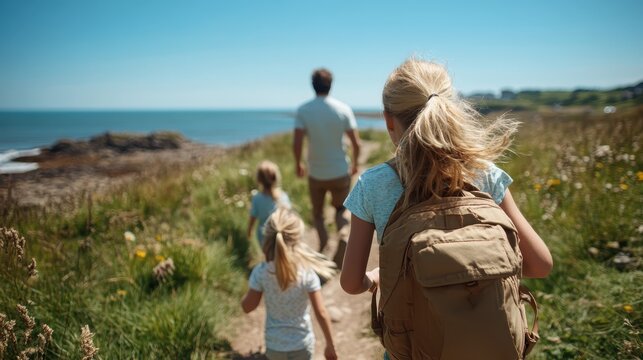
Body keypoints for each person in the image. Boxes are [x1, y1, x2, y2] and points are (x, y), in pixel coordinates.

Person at [340, 58, 553, 296]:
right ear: (448, 110)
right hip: (487, 328)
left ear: (389, 120)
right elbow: (540, 265)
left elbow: (351, 282)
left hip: (412, 330)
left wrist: (376, 277)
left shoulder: (373, 184)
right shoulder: (485, 174)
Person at [241, 207, 338, 360]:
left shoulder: (261, 271)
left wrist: (244, 296)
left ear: (267, 237)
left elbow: (248, 307)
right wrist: (330, 345)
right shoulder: (306, 272)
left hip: (274, 347)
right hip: (302, 345)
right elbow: (321, 312)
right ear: (297, 240)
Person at [294, 68, 361, 259]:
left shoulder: (303, 110)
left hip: (316, 173)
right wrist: (355, 164)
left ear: (312, 85)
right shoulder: (343, 109)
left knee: (317, 214)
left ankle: (323, 243)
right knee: (341, 209)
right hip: (340, 170)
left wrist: (298, 164)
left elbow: (297, 142)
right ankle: (342, 235)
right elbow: (356, 143)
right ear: (330, 85)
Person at [247, 160, 291, 247]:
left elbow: (252, 219)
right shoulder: (283, 196)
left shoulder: (257, 199)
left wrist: (249, 232)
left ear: (259, 179)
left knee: (269, 258)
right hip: (283, 234)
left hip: (264, 235)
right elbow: (289, 216)